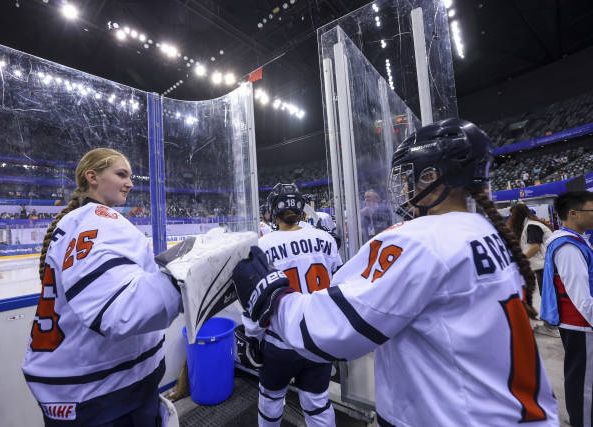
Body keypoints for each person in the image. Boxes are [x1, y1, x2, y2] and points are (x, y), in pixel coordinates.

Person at [233, 118, 559, 426]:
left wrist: (274, 301)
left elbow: (339, 326)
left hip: (451, 415)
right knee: (317, 402)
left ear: (431, 177)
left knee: (272, 397)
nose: (402, 188)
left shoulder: (419, 239)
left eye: (409, 177)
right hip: (513, 411)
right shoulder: (490, 234)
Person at [21, 148, 183, 426]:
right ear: (92, 177)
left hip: (82, 390)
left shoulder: (74, 222)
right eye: (121, 174)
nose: (130, 183)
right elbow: (119, 311)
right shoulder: (98, 220)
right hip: (107, 395)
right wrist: (185, 279)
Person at [244, 183, 342, 427]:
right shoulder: (326, 239)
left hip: (280, 342)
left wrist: (253, 338)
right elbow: (339, 284)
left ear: (273, 211)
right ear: (300, 209)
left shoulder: (263, 246)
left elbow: (256, 304)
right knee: (318, 404)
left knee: (270, 401)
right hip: (319, 338)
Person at [540, 190, 593, 427]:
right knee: (584, 383)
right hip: (581, 323)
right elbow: (581, 297)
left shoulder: (576, 240)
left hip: (581, 323)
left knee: (580, 377)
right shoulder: (568, 247)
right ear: (574, 214)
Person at [508, 202, 553, 320]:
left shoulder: (532, 226)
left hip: (544, 266)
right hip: (541, 265)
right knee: (544, 295)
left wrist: (520, 259)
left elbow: (535, 247)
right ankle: (548, 322)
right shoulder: (529, 225)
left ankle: (551, 325)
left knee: (547, 296)